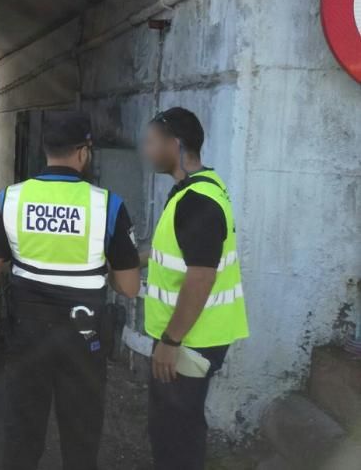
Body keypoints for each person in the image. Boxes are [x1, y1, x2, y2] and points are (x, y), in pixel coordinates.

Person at [0, 111, 141, 470]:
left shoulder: (9, 200)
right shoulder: (108, 205)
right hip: (84, 338)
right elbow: (129, 287)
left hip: (27, 335)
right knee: (81, 438)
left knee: (22, 433)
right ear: (84, 152)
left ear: (44, 149)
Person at [142, 108, 249, 470]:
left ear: (176, 144)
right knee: (175, 427)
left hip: (190, 341)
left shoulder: (197, 201)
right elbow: (176, 254)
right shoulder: (197, 189)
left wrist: (169, 343)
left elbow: (201, 277)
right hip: (192, 336)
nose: (147, 150)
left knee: (175, 434)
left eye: (152, 142)